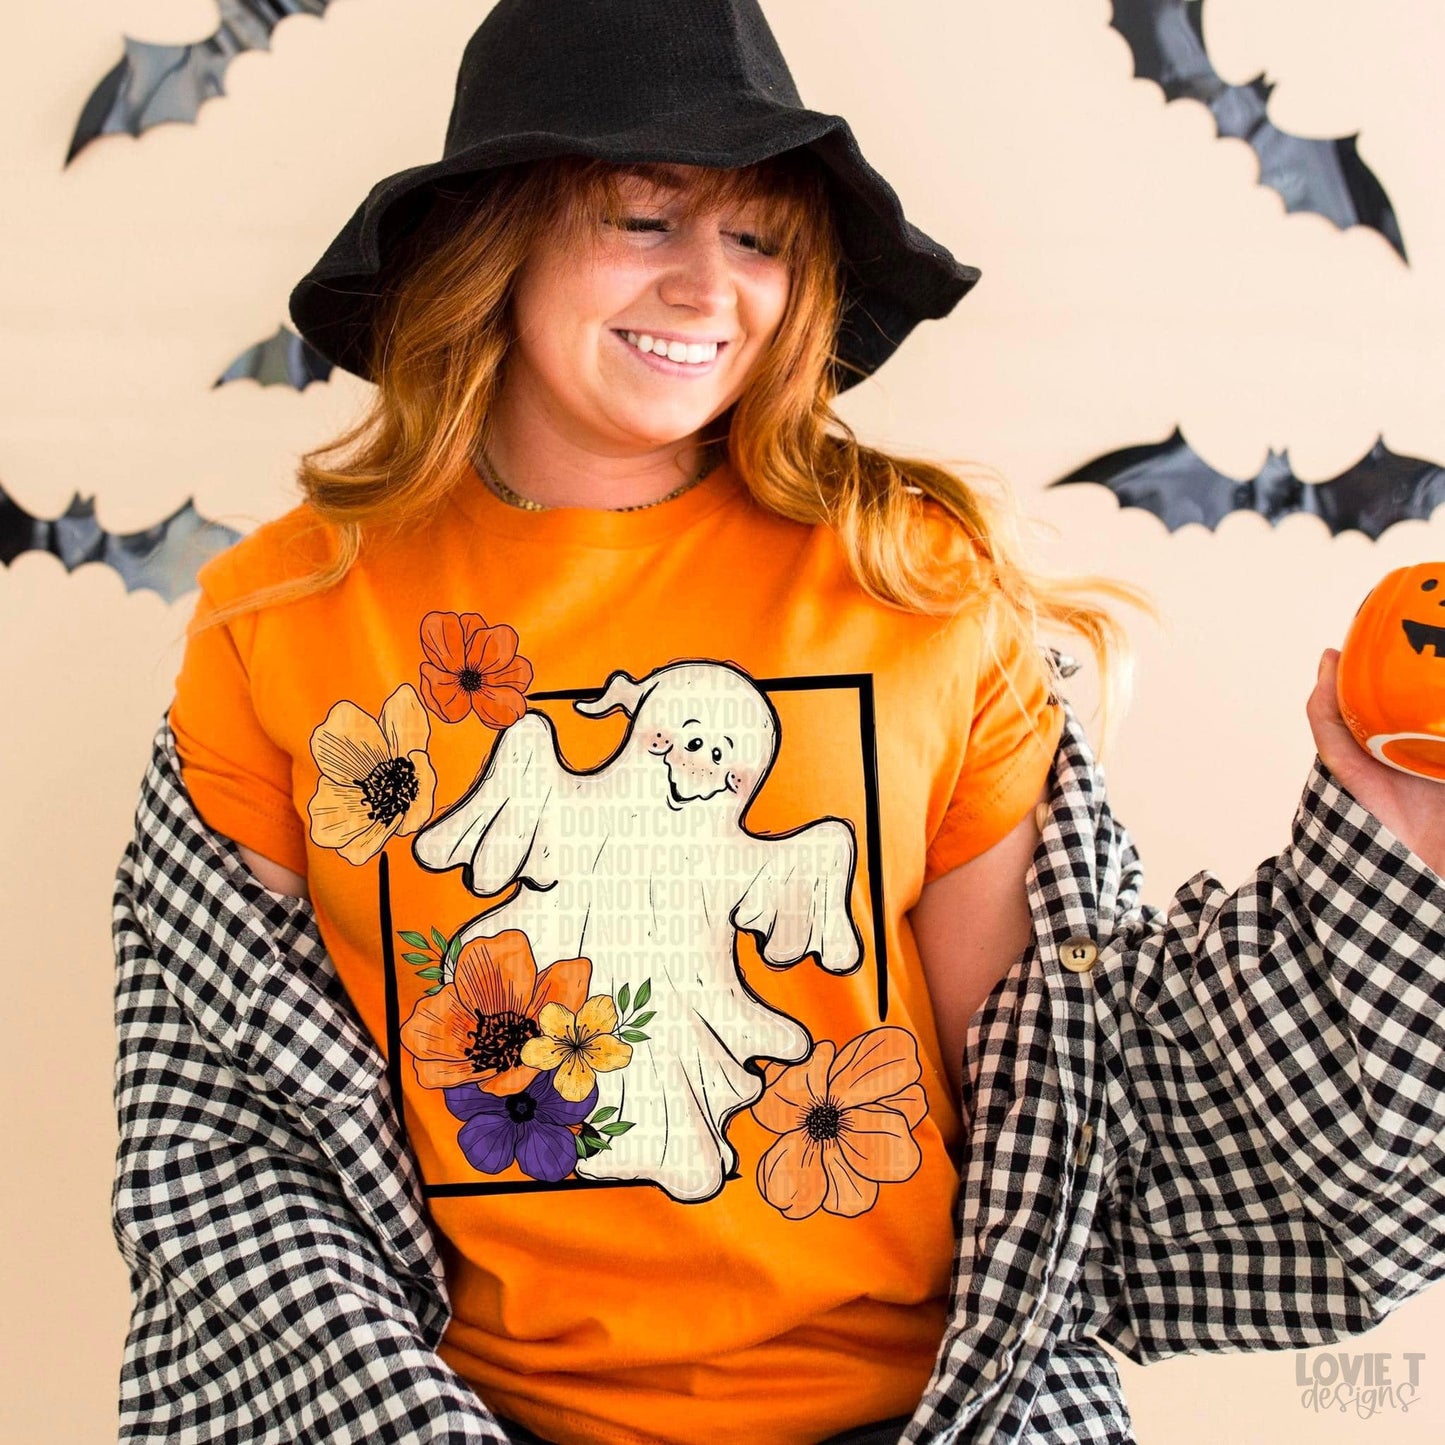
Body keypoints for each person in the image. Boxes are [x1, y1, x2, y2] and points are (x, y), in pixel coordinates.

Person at [112, 2, 1445, 1443]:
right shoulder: (287, 612)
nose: (707, 287)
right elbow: (235, 1109)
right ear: (496, 241)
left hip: (913, 1413)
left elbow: (1054, 1081)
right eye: (642, 219)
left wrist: (1387, 873)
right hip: (458, 1414)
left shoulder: (912, 584)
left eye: (757, 239)